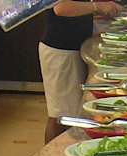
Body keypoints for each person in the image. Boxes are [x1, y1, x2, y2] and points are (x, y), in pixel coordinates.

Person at [40, 0, 122, 143]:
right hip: (61, 51)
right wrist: (97, 6)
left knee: (68, 112)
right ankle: (50, 155)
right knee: (61, 116)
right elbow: (61, 8)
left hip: (70, 48)